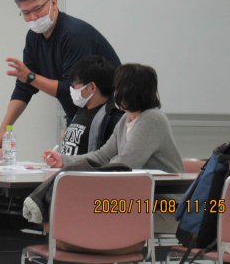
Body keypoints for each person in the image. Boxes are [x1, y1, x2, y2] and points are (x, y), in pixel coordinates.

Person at [43, 63, 184, 234]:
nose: (115, 92)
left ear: (130, 90)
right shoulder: (126, 119)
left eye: (118, 87)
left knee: (85, 213)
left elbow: (125, 163)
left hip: (163, 206)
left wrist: (85, 172)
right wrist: (64, 160)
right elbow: (103, 155)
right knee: (79, 212)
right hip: (137, 201)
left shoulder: (152, 119)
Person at [0, 0, 120, 155]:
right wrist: (4, 131)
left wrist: (31, 77)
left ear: (54, 2)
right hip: (78, 116)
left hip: (106, 117)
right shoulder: (33, 37)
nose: (33, 17)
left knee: (91, 165)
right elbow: (24, 87)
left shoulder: (73, 34)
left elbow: (71, 89)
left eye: (38, 9)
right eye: (26, 13)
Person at [60, 55, 123, 156]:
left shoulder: (113, 118)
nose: (72, 89)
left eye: (75, 85)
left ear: (91, 87)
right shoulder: (81, 110)